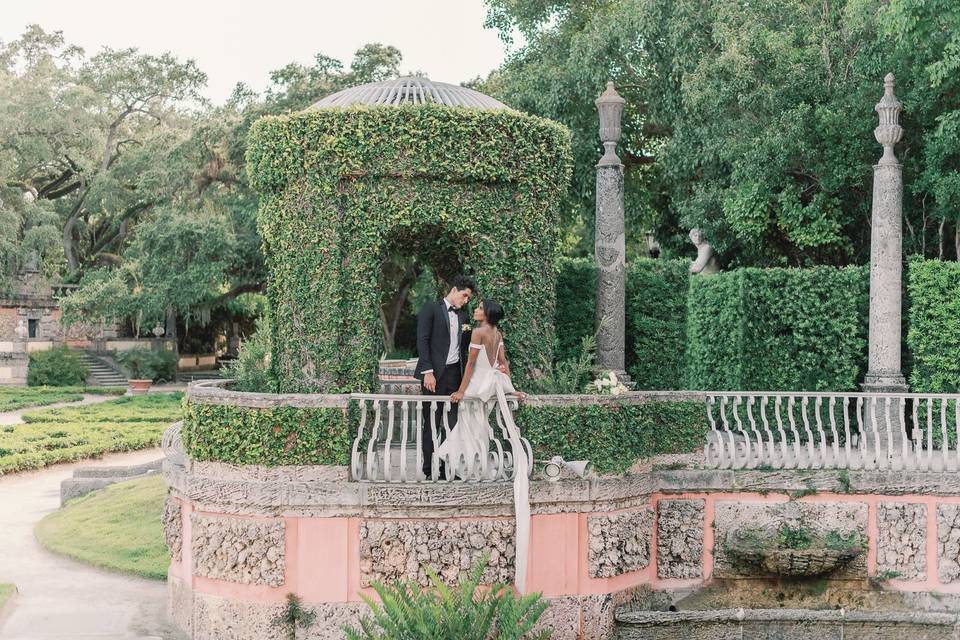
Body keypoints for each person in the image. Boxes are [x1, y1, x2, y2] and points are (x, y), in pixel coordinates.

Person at [441, 300, 525, 479]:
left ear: (487, 314)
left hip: (477, 385)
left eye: (480, 308)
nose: (476, 310)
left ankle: (467, 466)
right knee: (479, 427)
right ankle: (476, 465)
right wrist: (510, 389)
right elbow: (503, 362)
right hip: (489, 385)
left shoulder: (478, 332)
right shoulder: (497, 333)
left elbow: (471, 364)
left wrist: (461, 391)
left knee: (467, 427)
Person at [415, 275, 476, 479]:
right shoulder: (431, 309)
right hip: (434, 375)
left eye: (468, 298)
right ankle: (429, 468)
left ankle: (448, 467)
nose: (466, 301)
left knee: (452, 424)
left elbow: (467, 348)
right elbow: (422, 341)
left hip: (454, 375)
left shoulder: (464, 317)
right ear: (454, 290)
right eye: (465, 296)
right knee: (432, 421)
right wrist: (428, 372)